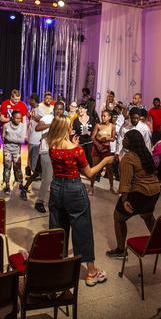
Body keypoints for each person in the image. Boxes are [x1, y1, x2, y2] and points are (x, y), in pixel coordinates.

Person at [47, 116, 114, 286]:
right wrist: (105, 161)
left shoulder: (52, 146)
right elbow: (89, 173)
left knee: (58, 229)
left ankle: (57, 268)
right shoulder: (76, 151)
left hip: (56, 188)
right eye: (70, 127)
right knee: (82, 229)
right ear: (65, 129)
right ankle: (91, 272)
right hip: (74, 190)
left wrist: (72, 143)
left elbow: (63, 154)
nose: (72, 129)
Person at [106, 130, 160, 259]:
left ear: (132, 142)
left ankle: (120, 250)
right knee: (147, 216)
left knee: (118, 217)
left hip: (139, 192)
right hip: (154, 191)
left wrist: (124, 200)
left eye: (126, 139)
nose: (123, 140)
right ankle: (158, 243)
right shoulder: (145, 154)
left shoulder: (128, 158)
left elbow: (125, 182)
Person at [34, 101, 66, 213]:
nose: (58, 111)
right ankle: (39, 201)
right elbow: (37, 127)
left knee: (58, 179)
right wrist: (51, 125)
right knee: (47, 178)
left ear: (63, 110)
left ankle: (55, 202)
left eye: (61, 109)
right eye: (57, 109)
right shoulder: (48, 118)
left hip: (60, 152)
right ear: (54, 109)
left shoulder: (64, 120)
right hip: (46, 151)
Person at [73, 102, 97, 194]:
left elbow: (95, 130)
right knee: (79, 165)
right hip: (80, 145)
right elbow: (74, 133)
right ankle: (78, 186)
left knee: (91, 165)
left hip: (90, 144)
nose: (80, 110)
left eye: (82, 108)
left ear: (86, 109)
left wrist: (91, 134)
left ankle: (91, 186)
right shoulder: (76, 120)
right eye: (79, 108)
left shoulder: (91, 119)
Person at [2, 111, 27, 199]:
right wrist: (15, 138)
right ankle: (7, 185)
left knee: (18, 168)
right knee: (7, 167)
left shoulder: (23, 126)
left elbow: (22, 140)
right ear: (12, 117)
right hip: (7, 150)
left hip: (17, 151)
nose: (18, 120)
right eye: (16, 118)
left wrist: (9, 138)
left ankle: (20, 184)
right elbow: (3, 137)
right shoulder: (6, 126)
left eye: (20, 118)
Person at [92, 110, 116, 193]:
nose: (102, 117)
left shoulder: (112, 126)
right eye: (102, 115)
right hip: (97, 147)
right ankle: (91, 187)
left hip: (106, 148)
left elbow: (113, 138)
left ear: (109, 117)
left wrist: (108, 138)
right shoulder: (98, 125)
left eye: (105, 116)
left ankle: (112, 187)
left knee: (109, 168)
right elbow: (92, 137)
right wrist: (98, 145)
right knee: (94, 168)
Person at [26, 93, 41, 180]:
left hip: (36, 138)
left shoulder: (39, 109)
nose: (29, 101)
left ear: (33, 100)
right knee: (31, 157)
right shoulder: (33, 109)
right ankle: (34, 174)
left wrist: (34, 116)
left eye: (30, 100)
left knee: (34, 156)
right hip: (31, 136)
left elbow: (43, 119)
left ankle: (36, 175)